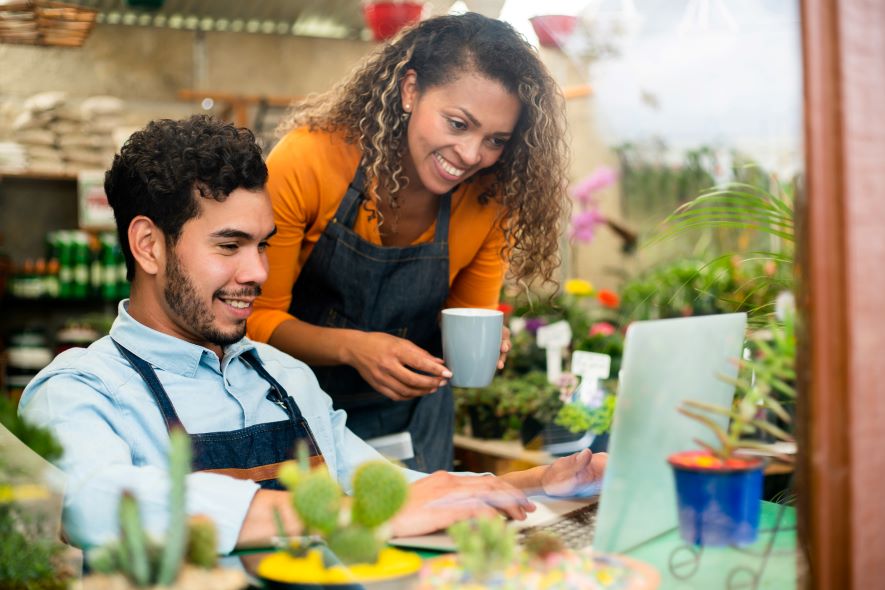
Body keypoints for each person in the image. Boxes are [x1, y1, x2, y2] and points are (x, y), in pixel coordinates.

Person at [18, 116, 603, 555]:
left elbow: (382, 487)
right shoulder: (80, 389)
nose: (258, 273)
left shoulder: (284, 377)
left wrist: (536, 483)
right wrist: (344, 517)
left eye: (262, 245)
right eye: (229, 245)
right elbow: (92, 503)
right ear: (149, 245)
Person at [247, 12, 569, 472]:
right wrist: (355, 348)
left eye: (496, 139)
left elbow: (465, 315)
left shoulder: (489, 198)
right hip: (295, 417)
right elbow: (255, 319)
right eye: (458, 124)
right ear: (410, 90)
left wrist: (476, 348)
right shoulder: (310, 160)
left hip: (412, 429)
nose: (473, 155)